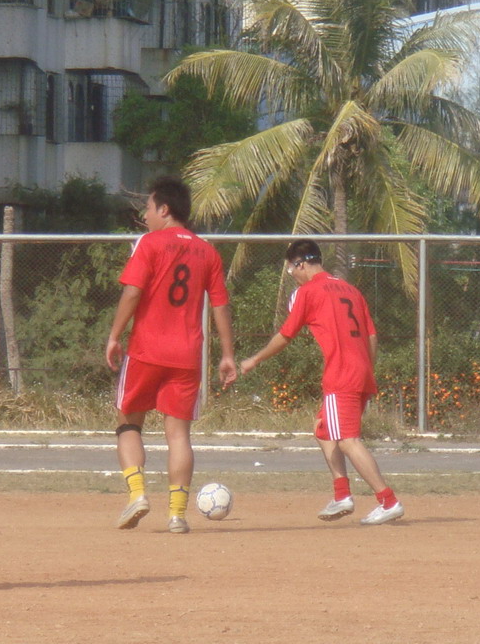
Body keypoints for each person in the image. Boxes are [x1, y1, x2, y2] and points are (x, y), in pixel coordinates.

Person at [239, 239, 404, 526]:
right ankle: (342, 495)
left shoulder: (309, 291)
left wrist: (255, 359)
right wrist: (366, 368)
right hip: (361, 371)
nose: (293, 275)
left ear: (300, 264)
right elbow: (372, 335)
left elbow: (285, 335)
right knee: (323, 429)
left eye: (291, 270)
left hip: (342, 374)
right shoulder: (351, 290)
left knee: (348, 441)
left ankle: (388, 501)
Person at [106, 175, 237, 534]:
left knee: (128, 423)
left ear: (164, 209)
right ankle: (177, 514)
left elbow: (133, 292)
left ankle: (137, 494)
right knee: (178, 436)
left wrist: (114, 335)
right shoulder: (207, 251)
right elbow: (221, 305)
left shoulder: (149, 243)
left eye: (148, 208)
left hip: (147, 349)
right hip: (187, 356)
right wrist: (227, 354)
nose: (145, 215)